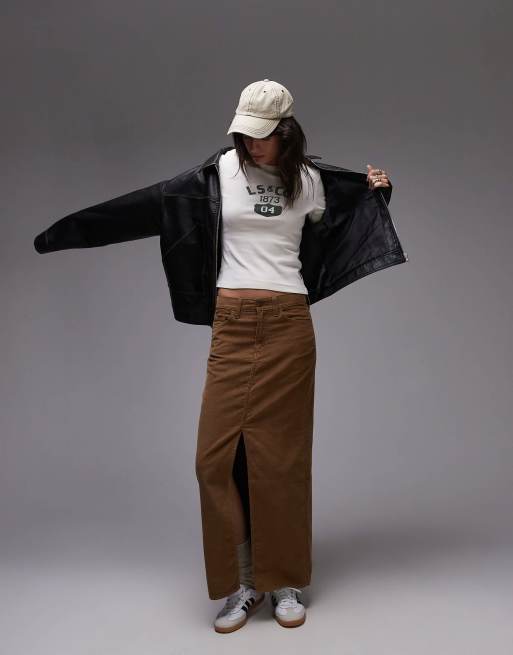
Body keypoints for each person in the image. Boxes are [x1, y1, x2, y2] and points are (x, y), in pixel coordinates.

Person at [33, 78, 404, 633]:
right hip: (232, 326)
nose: (251, 144)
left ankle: (284, 580)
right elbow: (133, 212)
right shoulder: (214, 177)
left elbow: (347, 231)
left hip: (288, 326)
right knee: (214, 460)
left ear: (286, 133)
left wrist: (378, 193)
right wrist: (59, 234)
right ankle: (243, 581)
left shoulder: (310, 182)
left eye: (262, 135)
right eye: (244, 133)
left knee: (281, 459)